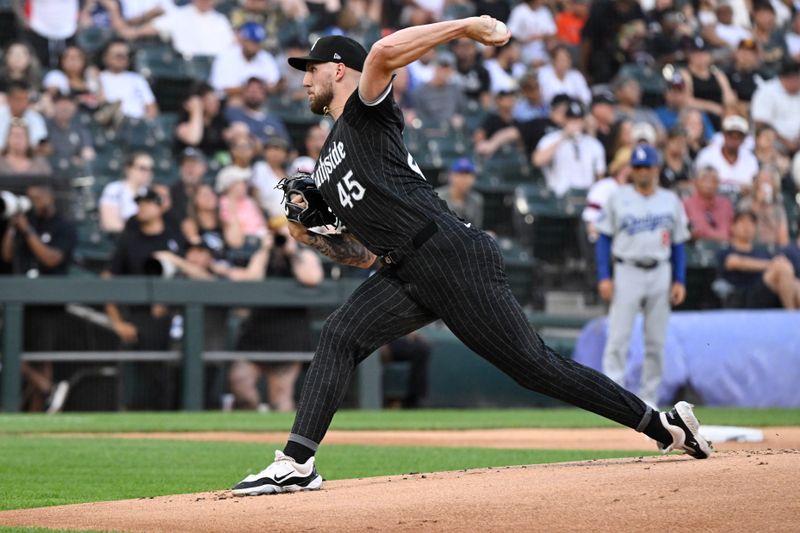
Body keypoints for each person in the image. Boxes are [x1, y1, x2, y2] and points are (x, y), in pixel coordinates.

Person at [232, 19, 711, 498]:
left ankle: (662, 425)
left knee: (535, 367)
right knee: (339, 335)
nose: (303, 80)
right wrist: (307, 234)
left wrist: (467, 26)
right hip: (404, 267)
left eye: (311, 69)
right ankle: (296, 463)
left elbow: (380, 52)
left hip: (448, 252)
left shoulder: (365, 113)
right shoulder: (327, 161)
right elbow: (360, 256)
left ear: (339, 70)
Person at [594, 144, 689, 409]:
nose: (642, 171)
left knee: (656, 342)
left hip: (660, 270)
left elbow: (679, 244)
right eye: (637, 166)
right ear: (631, 170)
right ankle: (614, 401)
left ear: (656, 169)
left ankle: (649, 400)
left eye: (647, 166)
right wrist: (604, 275)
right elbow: (603, 238)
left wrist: (679, 279)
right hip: (627, 270)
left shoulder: (670, 200)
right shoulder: (617, 197)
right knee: (618, 337)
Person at [104, 187, 184, 409]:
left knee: (174, 370)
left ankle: (174, 412)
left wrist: (167, 300)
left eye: (148, 202)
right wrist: (117, 320)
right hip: (138, 317)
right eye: (139, 203)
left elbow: (187, 276)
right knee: (146, 375)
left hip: (174, 315)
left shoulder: (174, 237)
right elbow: (108, 280)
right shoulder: (128, 239)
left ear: (160, 207)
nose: (142, 207)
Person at [1, 184, 76, 412]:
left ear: (50, 196)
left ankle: (39, 411)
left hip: (48, 302)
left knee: (42, 358)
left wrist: (28, 231)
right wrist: (13, 227)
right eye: (31, 197)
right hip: (21, 302)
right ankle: (47, 389)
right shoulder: (25, 221)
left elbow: (51, 259)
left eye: (39, 196)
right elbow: (6, 254)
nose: (36, 201)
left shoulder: (63, 225)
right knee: (10, 350)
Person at [231, 227, 324, 412]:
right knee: (240, 381)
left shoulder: (302, 255)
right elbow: (251, 280)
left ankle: (281, 437)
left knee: (281, 394)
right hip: (257, 330)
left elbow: (312, 278)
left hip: (289, 333)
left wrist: (293, 251)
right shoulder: (262, 256)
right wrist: (265, 249)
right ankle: (255, 424)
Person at [717, 210, 800, 309]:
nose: (747, 226)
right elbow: (734, 262)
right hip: (739, 297)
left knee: (794, 282)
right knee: (781, 266)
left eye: (751, 223)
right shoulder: (726, 251)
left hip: (763, 296)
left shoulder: (762, 253)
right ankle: (791, 315)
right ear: (733, 227)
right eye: (742, 222)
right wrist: (772, 264)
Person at [533, 99, 606, 197]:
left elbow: (600, 177)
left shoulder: (594, 144)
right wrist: (563, 137)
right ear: (564, 119)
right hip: (559, 197)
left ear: (583, 121)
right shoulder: (551, 139)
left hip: (586, 196)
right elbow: (537, 161)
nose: (574, 123)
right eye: (571, 119)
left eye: (578, 119)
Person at [209, 22, 281, 98]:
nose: (255, 46)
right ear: (243, 40)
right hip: (230, 100)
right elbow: (222, 89)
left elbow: (273, 85)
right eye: (252, 42)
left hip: (260, 101)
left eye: (258, 42)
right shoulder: (227, 56)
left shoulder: (265, 57)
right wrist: (251, 91)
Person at [693, 114, 758, 195]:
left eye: (738, 136)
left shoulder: (751, 159)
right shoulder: (707, 155)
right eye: (730, 134)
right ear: (723, 134)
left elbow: (753, 186)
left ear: (744, 139)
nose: (734, 138)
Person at [98, 39, 158, 121]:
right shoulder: (100, 77)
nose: (121, 59)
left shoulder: (137, 78)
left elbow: (151, 107)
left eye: (125, 56)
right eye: (118, 55)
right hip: (111, 123)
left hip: (137, 123)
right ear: (106, 57)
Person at [750, 58, 800, 154]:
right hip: (775, 143)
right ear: (782, 77)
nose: (794, 81)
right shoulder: (767, 91)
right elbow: (761, 123)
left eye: (797, 77)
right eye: (790, 78)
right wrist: (785, 142)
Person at [99, 151, 154, 234]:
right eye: (142, 168)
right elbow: (109, 223)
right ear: (129, 169)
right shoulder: (115, 189)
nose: (147, 173)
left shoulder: (150, 192)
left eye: (150, 169)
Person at [223, 78, 289, 146]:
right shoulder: (233, 113)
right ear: (243, 93)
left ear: (265, 95)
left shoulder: (274, 120)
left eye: (258, 91)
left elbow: (285, 143)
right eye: (250, 90)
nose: (254, 93)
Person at [409, 51, 466, 126]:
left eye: (448, 68)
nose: (444, 71)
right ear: (434, 67)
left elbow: (463, 113)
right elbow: (417, 116)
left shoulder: (455, 90)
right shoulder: (420, 90)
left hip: (450, 132)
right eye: (442, 67)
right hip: (427, 131)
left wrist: (459, 119)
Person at [737, 167, 790, 248]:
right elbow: (741, 231)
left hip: (772, 250)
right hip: (749, 248)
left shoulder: (778, 208)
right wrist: (758, 204)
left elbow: (783, 239)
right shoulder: (745, 203)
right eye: (761, 180)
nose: (764, 184)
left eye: (768, 181)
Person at [174, 82, 230, 158]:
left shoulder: (219, 121)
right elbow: (193, 139)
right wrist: (196, 110)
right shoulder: (184, 122)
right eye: (211, 100)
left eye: (216, 101)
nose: (216, 104)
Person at [379, 331, 431, 408]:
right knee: (420, 348)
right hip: (381, 339)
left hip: (396, 336)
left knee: (421, 348)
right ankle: (404, 401)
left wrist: (412, 332)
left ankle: (412, 399)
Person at [682, 166, 734, 241]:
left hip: (725, 246)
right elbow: (689, 232)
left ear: (718, 183)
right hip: (697, 247)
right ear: (695, 182)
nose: (709, 184)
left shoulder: (726, 204)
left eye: (713, 180)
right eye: (704, 179)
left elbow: (731, 230)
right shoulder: (686, 204)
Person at [45, 92, 95, 168]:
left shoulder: (80, 127)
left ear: (74, 107)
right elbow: (44, 151)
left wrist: (84, 160)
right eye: (61, 103)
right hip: (51, 168)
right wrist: (69, 160)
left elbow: (88, 151)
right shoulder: (45, 125)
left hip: (75, 170)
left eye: (68, 103)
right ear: (54, 105)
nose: (65, 107)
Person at [0, 81, 48, 153]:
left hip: (27, 159)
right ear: (8, 99)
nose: (22, 103)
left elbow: (40, 145)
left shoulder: (35, 117)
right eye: (18, 99)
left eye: (25, 99)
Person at [435, 158, 484, 228]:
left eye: (468, 174)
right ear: (451, 176)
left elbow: (477, 228)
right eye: (461, 174)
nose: (465, 179)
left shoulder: (476, 200)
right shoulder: (437, 196)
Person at [168, 147, 208, 225]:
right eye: (185, 164)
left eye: (194, 164)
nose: (189, 168)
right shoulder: (171, 193)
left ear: (204, 168)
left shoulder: (210, 192)